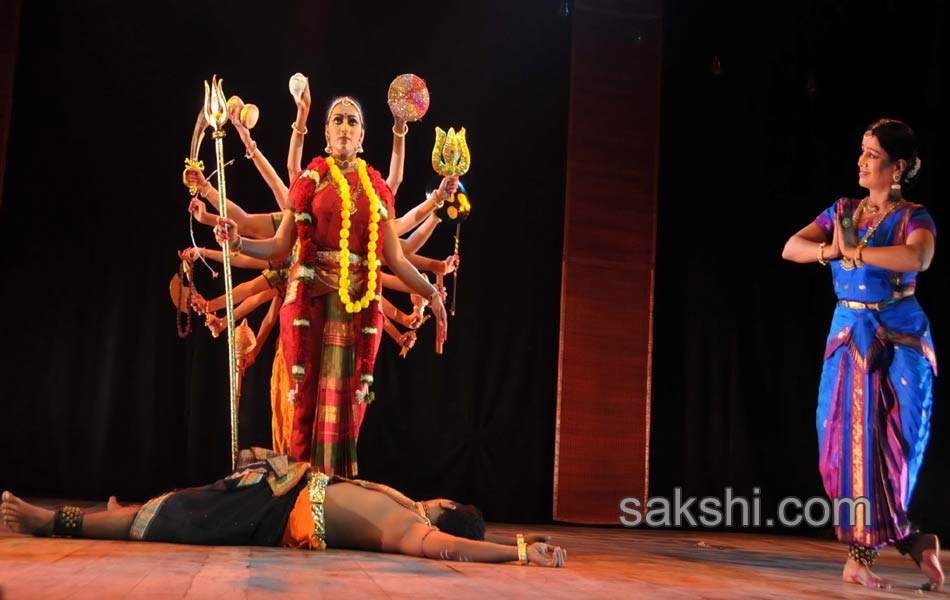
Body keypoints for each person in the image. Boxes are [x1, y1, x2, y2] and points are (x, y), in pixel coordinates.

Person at [214, 94, 449, 478]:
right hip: (310, 301)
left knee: (349, 407)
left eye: (352, 121)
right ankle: (301, 498)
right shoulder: (310, 180)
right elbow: (279, 245)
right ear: (326, 133)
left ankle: (335, 494)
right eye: (337, 120)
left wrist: (433, 294)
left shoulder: (376, 190)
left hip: (357, 307)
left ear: (362, 137)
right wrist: (238, 243)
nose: (344, 126)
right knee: (305, 405)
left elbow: (397, 257)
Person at [781, 118, 943, 591]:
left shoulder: (915, 217)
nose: (861, 161)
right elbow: (792, 248)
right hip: (849, 334)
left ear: (896, 169)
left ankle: (896, 545)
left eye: (872, 155)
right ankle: (889, 549)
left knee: (894, 448)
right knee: (845, 447)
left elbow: (918, 259)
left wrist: (859, 254)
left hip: (899, 338)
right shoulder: (844, 211)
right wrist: (833, 251)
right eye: (862, 151)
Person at [0, 448, 566, 568]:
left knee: (169, 518)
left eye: (446, 502)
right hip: (281, 488)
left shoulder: (412, 526)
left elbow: (448, 549)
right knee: (174, 505)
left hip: (273, 513)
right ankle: (121, 512)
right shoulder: (402, 504)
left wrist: (515, 551)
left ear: (446, 509)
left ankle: (49, 520)